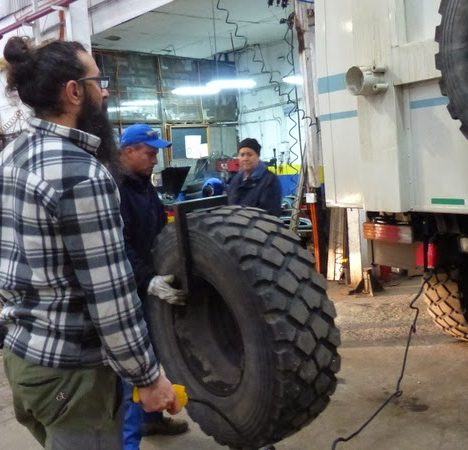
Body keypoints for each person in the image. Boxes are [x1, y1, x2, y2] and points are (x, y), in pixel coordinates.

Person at [0, 37, 181, 450]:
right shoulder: (82, 173)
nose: (106, 91)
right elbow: (110, 297)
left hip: (24, 359)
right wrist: (148, 377)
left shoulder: (12, 156)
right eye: (99, 81)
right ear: (74, 91)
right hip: (73, 375)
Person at [118, 124, 188, 449]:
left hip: (147, 286)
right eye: (149, 153)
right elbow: (119, 247)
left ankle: (152, 420)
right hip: (126, 293)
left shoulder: (145, 187)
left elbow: (160, 231)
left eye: (157, 153)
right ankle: (129, 442)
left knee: (153, 354)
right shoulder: (115, 189)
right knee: (132, 366)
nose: (155, 160)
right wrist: (149, 280)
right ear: (128, 151)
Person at [227, 137, 282, 216]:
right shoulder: (236, 180)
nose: (245, 158)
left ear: (258, 156)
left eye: (249, 155)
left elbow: (271, 214)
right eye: (242, 155)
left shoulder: (270, 181)